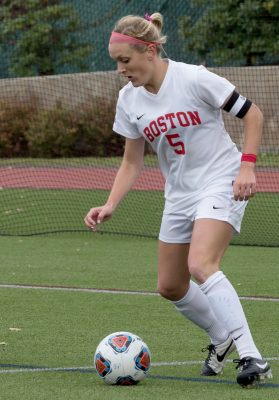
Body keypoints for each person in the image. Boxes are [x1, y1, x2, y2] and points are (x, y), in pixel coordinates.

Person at [84, 12, 272, 388]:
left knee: (202, 263)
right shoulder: (128, 99)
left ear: (150, 51)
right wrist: (110, 204)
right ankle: (222, 338)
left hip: (221, 180)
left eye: (126, 61)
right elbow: (131, 161)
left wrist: (247, 167)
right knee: (170, 285)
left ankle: (251, 356)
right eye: (117, 63)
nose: (121, 70)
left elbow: (253, 115)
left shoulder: (194, 78)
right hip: (180, 195)